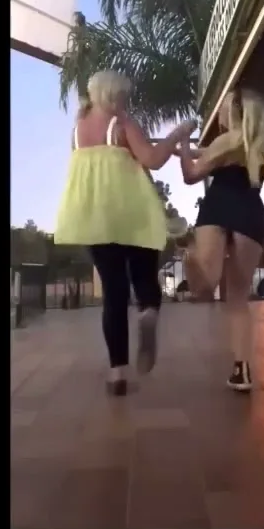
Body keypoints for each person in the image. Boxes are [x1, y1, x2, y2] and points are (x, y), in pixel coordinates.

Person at [54, 70, 196, 396]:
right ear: (112, 95)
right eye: (122, 96)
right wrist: (177, 134)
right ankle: (148, 311)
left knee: (114, 293)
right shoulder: (121, 124)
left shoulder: (77, 130)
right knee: (144, 276)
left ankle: (117, 372)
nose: (125, 101)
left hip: (94, 218)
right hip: (132, 213)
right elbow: (152, 160)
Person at [177, 89, 264, 392]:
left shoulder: (226, 140)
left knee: (204, 287)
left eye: (224, 104)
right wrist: (191, 151)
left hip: (218, 207)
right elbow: (215, 157)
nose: (219, 110)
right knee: (238, 300)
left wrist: (182, 140)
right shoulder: (258, 144)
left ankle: (190, 256)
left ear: (234, 111)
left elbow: (191, 175)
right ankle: (242, 371)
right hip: (251, 214)